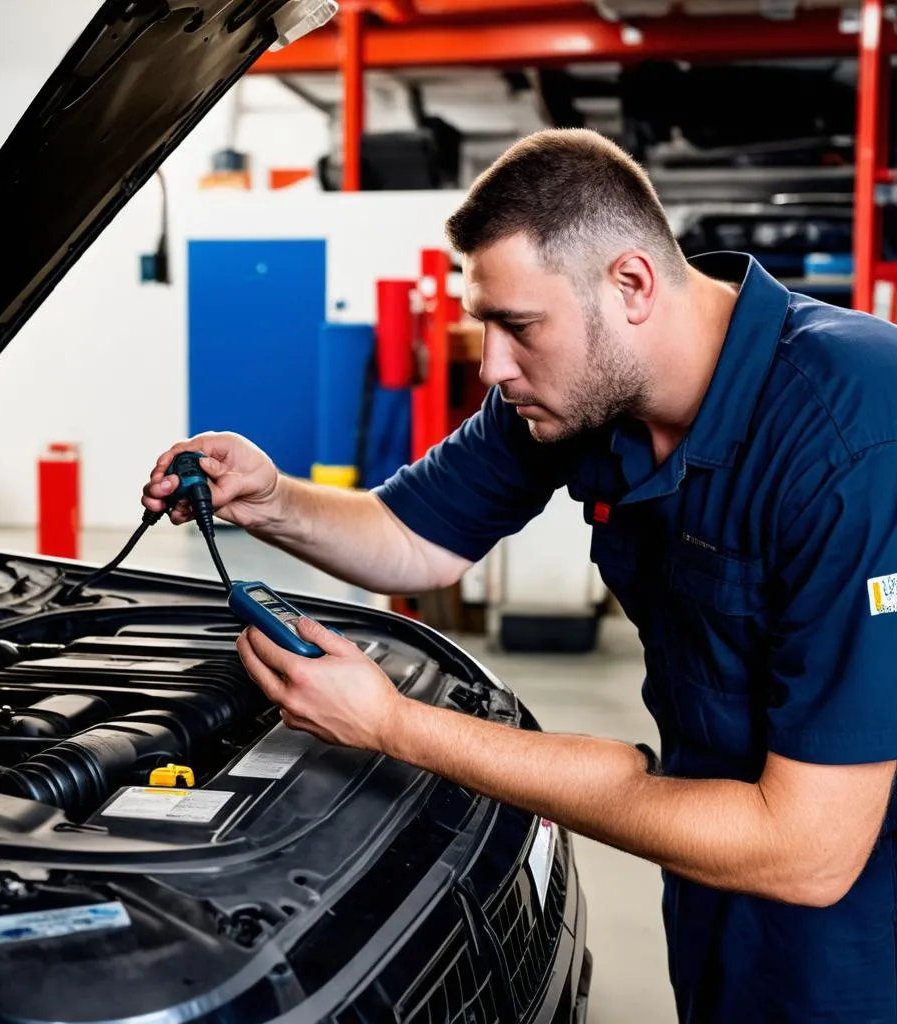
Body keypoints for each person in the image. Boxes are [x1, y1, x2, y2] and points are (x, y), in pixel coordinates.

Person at [143, 129, 897, 1023]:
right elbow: (409, 537)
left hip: (860, 916)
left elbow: (806, 851)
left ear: (631, 285)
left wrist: (395, 724)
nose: (494, 366)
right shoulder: (577, 392)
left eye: (517, 327)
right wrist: (266, 499)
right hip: (714, 879)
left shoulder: (856, 433)